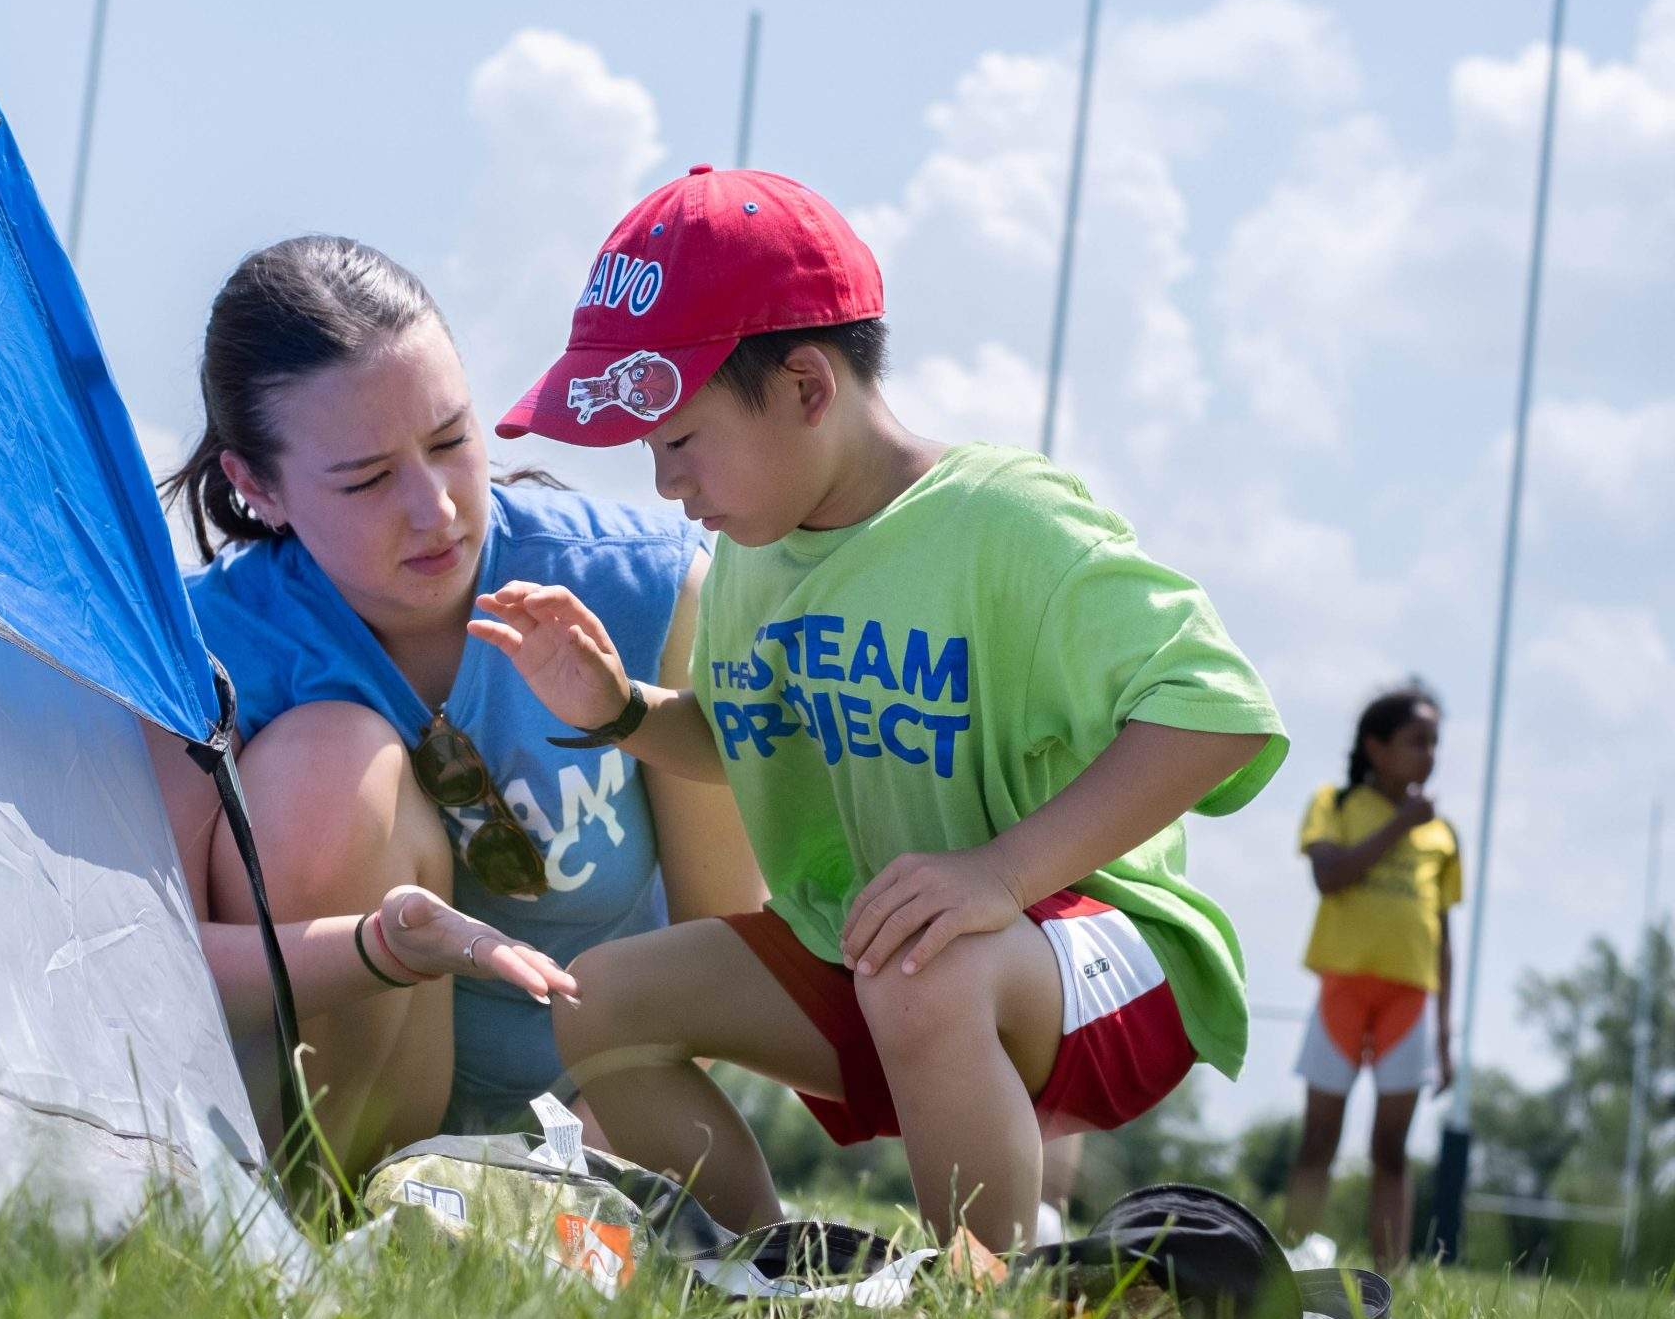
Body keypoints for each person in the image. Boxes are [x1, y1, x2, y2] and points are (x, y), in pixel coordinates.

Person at [468, 165, 1287, 1250]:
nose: (665, 484)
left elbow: (1215, 711)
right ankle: (757, 1272)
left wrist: (998, 875)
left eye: (678, 439)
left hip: (1100, 958)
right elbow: (744, 737)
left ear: (807, 387)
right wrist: (623, 710)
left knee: (925, 963)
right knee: (596, 1000)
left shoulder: (1002, 517)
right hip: (883, 953)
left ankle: (982, 1313)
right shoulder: (754, 553)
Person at [149, 235, 765, 1172]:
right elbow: (153, 957)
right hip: (335, 1116)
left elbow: (726, 949)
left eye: (450, 441)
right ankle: (329, 1209)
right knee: (328, 759)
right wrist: (383, 947)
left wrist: (580, 1163)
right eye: (366, 479)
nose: (435, 509)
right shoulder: (199, 651)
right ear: (257, 487)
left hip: (596, 1128)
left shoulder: (644, 589)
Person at [1283, 686, 1461, 1267]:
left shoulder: (1443, 835)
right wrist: (1398, 826)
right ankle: (1290, 1258)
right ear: (1376, 747)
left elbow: (1443, 934)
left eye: (1435, 743)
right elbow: (1330, 877)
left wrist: (1444, 1031)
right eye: (1416, 741)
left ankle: (1391, 1278)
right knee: (1319, 1139)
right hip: (1343, 991)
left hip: (1410, 1003)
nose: (1429, 755)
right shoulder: (1334, 803)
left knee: (1391, 1148)